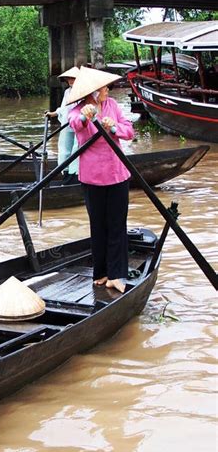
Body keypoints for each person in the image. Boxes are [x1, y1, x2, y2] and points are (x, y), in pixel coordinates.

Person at [68, 66, 134, 294]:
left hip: (117, 174)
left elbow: (128, 131)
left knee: (117, 225)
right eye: (104, 87)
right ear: (93, 91)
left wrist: (113, 127)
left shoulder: (113, 106)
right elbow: (74, 122)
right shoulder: (79, 110)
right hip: (92, 178)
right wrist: (87, 117)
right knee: (98, 226)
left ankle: (116, 275)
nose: (107, 89)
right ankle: (101, 273)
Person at [45, 66, 80, 184]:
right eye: (69, 78)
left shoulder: (83, 92)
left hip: (79, 124)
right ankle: (66, 174)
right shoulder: (67, 92)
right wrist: (53, 113)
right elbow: (64, 108)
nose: (70, 80)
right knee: (65, 149)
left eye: (73, 78)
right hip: (67, 124)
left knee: (77, 149)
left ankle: (76, 175)